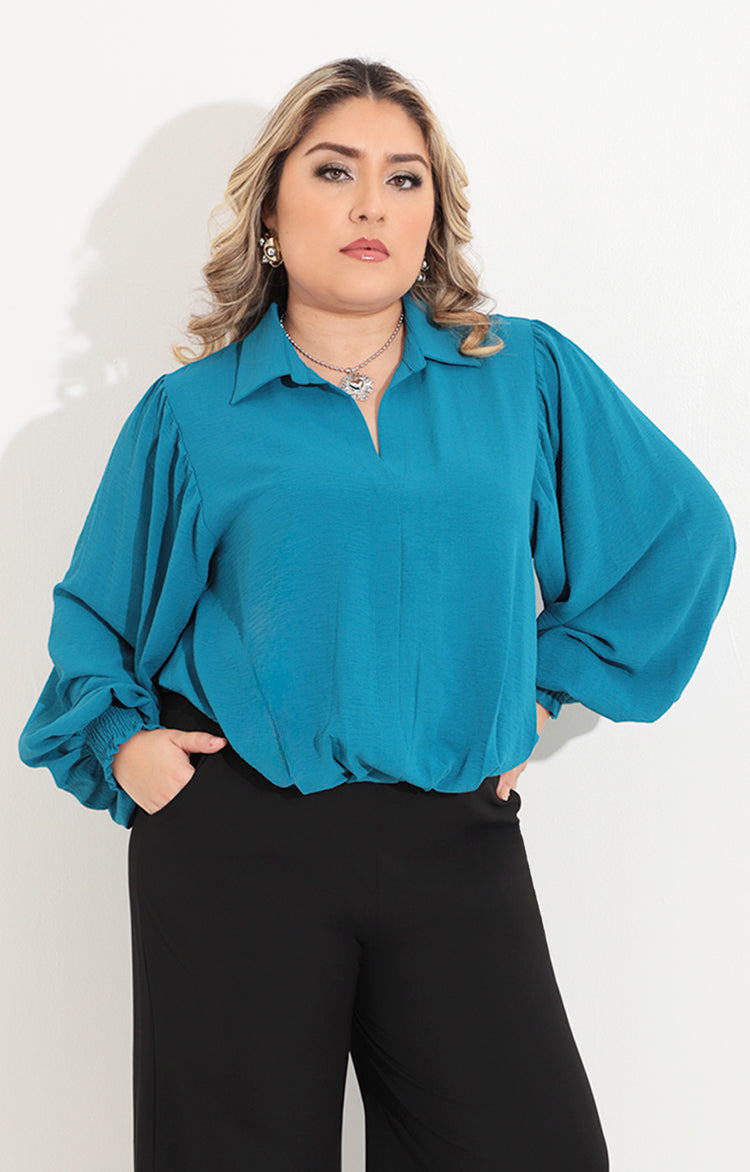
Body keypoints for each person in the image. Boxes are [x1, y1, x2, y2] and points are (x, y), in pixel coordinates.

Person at [19, 57, 735, 1172]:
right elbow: (97, 619)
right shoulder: (195, 412)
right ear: (271, 209)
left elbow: (679, 536)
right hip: (237, 842)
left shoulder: (523, 373)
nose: (371, 206)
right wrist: (128, 748)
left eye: (405, 178)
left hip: (454, 839)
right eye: (334, 171)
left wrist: (539, 693)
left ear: (433, 213)